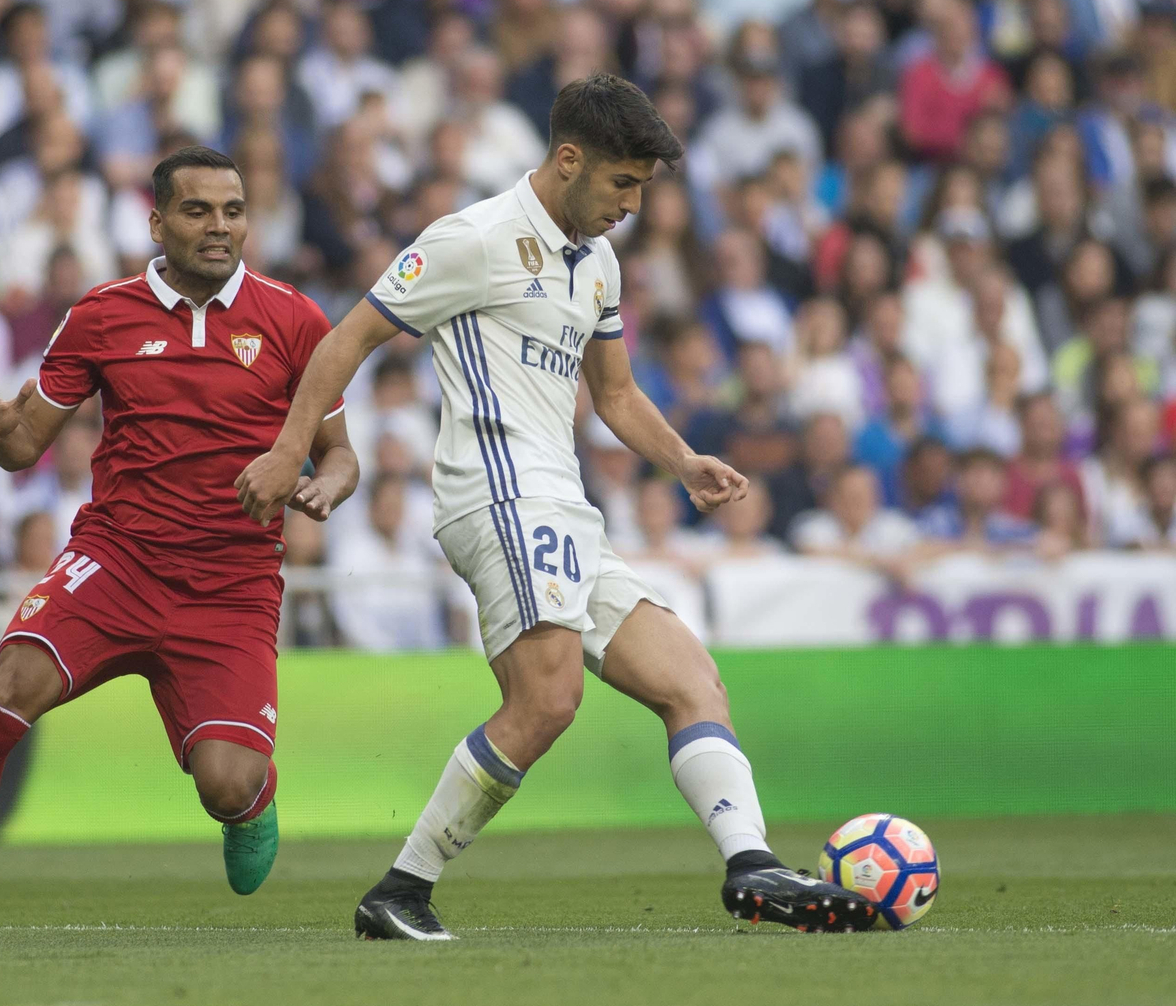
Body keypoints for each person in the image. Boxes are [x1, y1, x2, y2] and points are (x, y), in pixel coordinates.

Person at [235, 74, 877, 939]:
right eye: (622, 183)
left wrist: (684, 461)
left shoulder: (599, 262)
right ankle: (401, 890)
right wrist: (289, 448)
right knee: (548, 700)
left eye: (642, 188)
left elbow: (613, 392)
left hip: (563, 505)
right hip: (493, 493)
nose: (632, 205)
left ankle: (751, 865)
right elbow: (347, 336)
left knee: (693, 682)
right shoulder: (472, 238)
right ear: (568, 159)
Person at [0, 146, 359, 944]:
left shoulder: (296, 320)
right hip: (117, 562)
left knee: (225, 782)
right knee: (8, 683)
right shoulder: (102, 314)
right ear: (157, 221)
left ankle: (250, 800)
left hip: (230, 583)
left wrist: (325, 486)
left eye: (233, 211)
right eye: (197, 210)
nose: (219, 227)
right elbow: (28, 447)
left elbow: (343, 454)